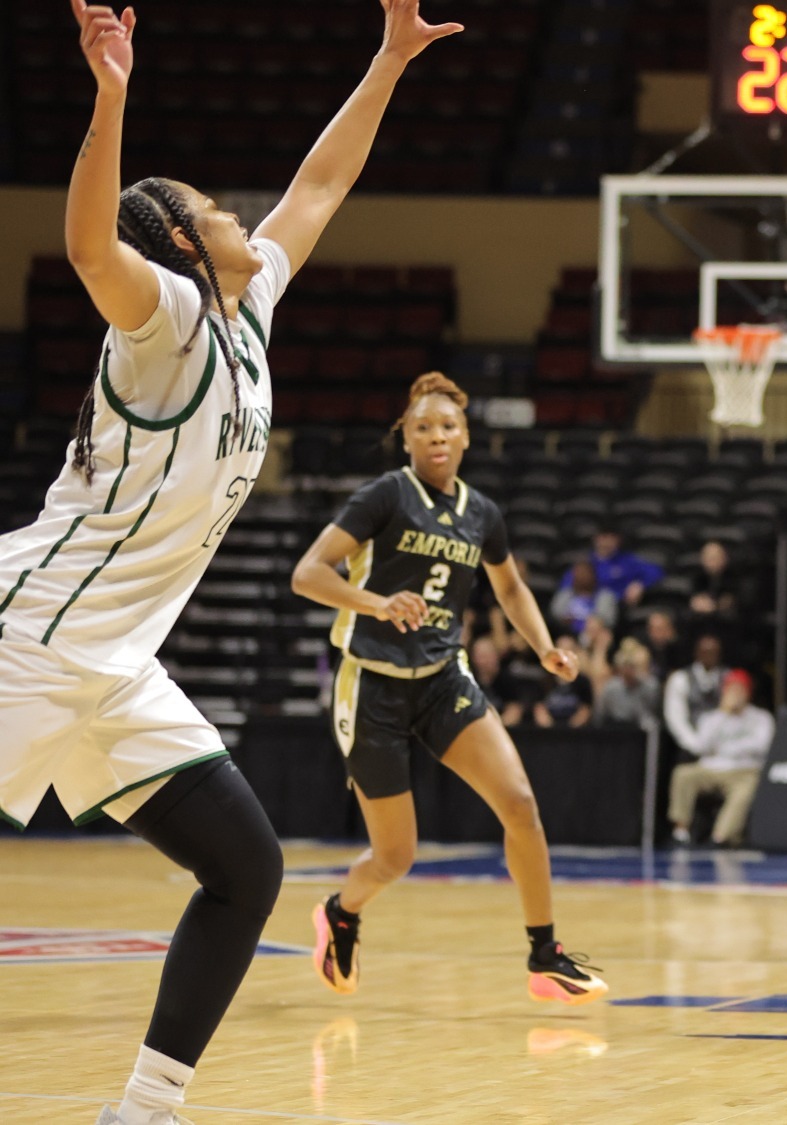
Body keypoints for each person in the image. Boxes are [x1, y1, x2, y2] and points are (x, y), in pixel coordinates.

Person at [0, 3, 451, 1121]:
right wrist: (111, 98)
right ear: (189, 247)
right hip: (29, 637)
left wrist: (388, 59)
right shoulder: (163, 321)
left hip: (119, 668)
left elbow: (321, 186)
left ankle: (143, 1113)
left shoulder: (248, 318)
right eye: (216, 209)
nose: (247, 213)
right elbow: (90, 247)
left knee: (246, 873)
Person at [291, 372, 607, 1011]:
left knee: (519, 801)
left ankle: (545, 955)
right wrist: (377, 603)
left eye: (448, 427)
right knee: (395, 856)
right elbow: (308, 574)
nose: (437, 436)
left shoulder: (482, 513)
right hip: (372, 683)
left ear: (465, 438)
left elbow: (510, 587)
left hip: (441, 678)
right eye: (423, 427)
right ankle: (341, 912)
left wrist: (545, 645)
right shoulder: (384, 496)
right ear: (404, 439)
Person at [667, 669, 772, 846]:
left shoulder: (761, 717)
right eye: (732, 690)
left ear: (748, 692)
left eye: (740, 690)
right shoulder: (711, 717)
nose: (736, 695)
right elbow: (702, 745)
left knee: (744, 792)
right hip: (711, 768)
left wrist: (730, 749)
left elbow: (762, 745)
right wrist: (723, 713)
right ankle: (680, 831)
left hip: (744, 771)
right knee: (683, 774)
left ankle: (719, 837)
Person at [562, 527, 661, 610]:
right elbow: (567, 582)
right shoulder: (586, 562)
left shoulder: (627, 561)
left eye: (611, 538)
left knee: (605, 598)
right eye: (604, 537)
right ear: (596, 539)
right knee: (564, 597)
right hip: (584, 606)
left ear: (618, 540)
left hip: (615, 607)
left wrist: (640, 584)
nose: (607, 542)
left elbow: (655, 571)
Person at [663, 633, 728, 755]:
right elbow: (675, 717)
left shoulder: (728, 677)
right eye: (705, 652)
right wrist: (695, 744)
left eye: (713, 652)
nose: (709, 656)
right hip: (689, 747)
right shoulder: (680, 678)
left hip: (724, 748)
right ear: (696, 653)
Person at [595, 638, 661, 730]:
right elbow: (601, 714)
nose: (628, 670)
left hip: (642, 728)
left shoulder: (650, 686)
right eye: (625, 667)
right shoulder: (611, 688)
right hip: (617, 728)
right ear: (619, 669)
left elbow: (654, 712)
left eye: (632, 667)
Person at [532, 634, 593, 729]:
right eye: (560, 652)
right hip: (548, 733)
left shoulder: (583, 681)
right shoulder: (544, 680)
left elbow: (585, 710)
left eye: (568, 652)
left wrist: (569, 730)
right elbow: (539, 710)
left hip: (576, 734)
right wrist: (552, 730)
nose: (563, 658)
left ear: (575, 654)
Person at [549, 559, 617, 638]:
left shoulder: (605, 595)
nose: (581, 577)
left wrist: (592, 622)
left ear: (592, 575)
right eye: (578, 573)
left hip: (596, 633)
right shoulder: (565, 594)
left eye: (584, 573)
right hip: (570, 633)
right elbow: (556, 613)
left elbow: (609, 619)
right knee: (564, 642)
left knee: (604, 635)